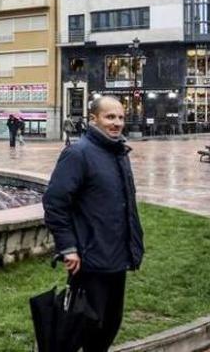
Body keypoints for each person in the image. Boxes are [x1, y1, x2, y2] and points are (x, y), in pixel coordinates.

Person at [43, 95, 145, 352]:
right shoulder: (78, 153)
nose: (117, 123)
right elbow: (55, 203)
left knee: (109, 325)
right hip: (90, 259)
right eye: (110, 117)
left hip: (117, 257)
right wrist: (68, 247)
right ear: (93, 119)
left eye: (121, 117)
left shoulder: (119, 152)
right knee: (85, 327)